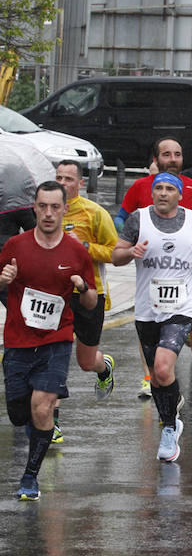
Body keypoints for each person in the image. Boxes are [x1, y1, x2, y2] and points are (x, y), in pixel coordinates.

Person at [0, 181, 97, 500]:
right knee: (19, 412)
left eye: (55, 207)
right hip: (17, 340)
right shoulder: (15, 245)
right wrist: (3, 280)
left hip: (57, 340)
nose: (48, 213)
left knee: (42, 407)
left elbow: (91, 302)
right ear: (34, 208)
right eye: (42, 206)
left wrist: (82, 287)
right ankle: (34, 427)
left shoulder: (75, 251)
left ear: (64, 209)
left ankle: (30, 477)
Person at [112, 173, 192, 462]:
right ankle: (171, 415)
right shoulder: (137, 219)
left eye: (170, 189)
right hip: (146, 307)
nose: (163, 193)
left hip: (182, 305)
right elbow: (115, 255)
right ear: (152, 192)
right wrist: (131, 251)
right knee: (157, 376)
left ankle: (169, 428)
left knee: (163, 368)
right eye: (159, 188)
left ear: (179, 195)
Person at [114, 137, 192, 393]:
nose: (172, 159)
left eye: (177, 154)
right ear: (155, 159)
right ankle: (152, 377)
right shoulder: (141, 187)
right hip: (152, 284)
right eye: (166, 154)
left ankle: (174, 344)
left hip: (188, 285)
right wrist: (132, 243)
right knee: (159, 366)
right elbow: (120, 220)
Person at [52, 161, 118, 444]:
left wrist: (86, 247)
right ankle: (51, 423)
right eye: (58, 177)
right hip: (56, 295)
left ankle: (104, 367)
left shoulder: (94, 213)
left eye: (69, 178)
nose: (63, 182)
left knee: (84, 361)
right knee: (54, 357)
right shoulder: (47, 211)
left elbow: (116, 252)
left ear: (80, 183)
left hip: (90, 295)